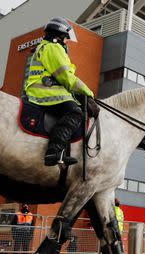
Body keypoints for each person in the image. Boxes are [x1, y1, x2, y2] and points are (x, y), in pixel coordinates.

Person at [23, 17, 97, 166]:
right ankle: (54, 152)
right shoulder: (53, 48)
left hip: (44, 90)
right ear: (59, 36)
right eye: (65, 39)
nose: (66, 42)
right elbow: (66, 76)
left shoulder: (45, 47)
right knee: (75, 112)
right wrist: (88, 93)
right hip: (45, 92)